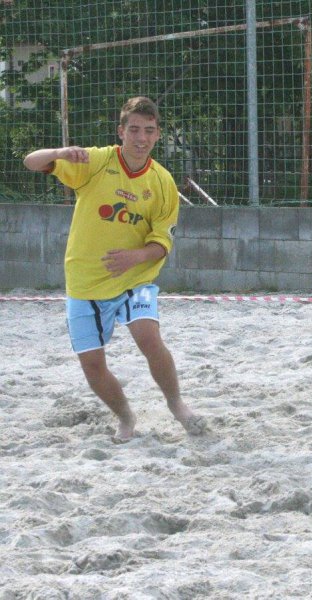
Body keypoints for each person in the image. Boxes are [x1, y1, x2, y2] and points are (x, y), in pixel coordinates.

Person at [23, 96, 206, 443]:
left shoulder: (163, 182)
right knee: (92, 365)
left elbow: (161, 243)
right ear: (120, 131)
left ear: (157, 135)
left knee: (148, 337)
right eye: (134, 129)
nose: (141, 138)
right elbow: (31, 162)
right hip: (85, 279)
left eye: (149, 131)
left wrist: (134, 258)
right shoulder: (95, 160)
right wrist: (61, 153)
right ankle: (126, 416)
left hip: (135, 278)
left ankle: (176, 402)